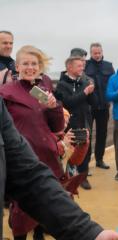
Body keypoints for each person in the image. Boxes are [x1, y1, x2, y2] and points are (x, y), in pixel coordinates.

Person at [0, 98, 118, 240]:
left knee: (38, 224)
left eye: (66, 121)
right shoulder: (52, 140)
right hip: (43, 195)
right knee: (22, 222)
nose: (64, 124)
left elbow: (27, 175)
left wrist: (89, 233)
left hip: (54, 194)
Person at [0, 46, 64, 240]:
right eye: (25, 63)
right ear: (17, 67)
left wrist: (53, 108)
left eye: (34, 64)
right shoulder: (6, 92)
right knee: (21, 210)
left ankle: (39, 233)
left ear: (40, 67)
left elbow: (56, 127)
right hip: (21, 160)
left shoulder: (43, 90)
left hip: (46, 157)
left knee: (44, 205)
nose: (30, 67)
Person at [54, 55, 96, 190]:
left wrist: (91, 92)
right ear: (69, 67)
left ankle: (82, 178)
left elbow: (93, 103)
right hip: (69, 125)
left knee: (85, 150)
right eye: (79, 66)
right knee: (68, 152)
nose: (82, 68)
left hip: (83, 121)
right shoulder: (61, 84)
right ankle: (67, 179)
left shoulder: (84, 81)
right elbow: (68, 103)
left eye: (83, 66)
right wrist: (84, 93)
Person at [85, 42, 115, 170]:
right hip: (89, 107)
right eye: (94, 53)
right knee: (88, 135)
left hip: (104, 106)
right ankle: (85, 164)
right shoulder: (85, 65)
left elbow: (114, 82)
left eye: (99, 53)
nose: (97, 55)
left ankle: (99, 160)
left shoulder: (108, 66)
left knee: (102, 134)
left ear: (102, 52)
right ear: (91, 53)